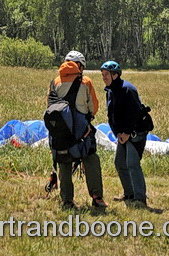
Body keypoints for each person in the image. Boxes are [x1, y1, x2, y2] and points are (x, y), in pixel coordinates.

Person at [47, 50, 107, 211]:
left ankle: (67, 200)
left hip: (60, 132)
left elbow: (50, 106)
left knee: (63, 162)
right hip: (82, 132)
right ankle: (97, 197)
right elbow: (93, 108)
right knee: (91, 159)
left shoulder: (55, 82)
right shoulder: (85, 81)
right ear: (79, 65)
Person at [100, 59, 148, 207]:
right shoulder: (110, 91)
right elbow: (111, 115)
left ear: (115, 75)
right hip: (122, 134)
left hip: (136, 132)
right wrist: (118, 134)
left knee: (132, 164)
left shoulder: (128, 89)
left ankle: (140, 198)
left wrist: (127, 132)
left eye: (106, 74)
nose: (104, 77)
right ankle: (129, 194)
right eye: (102, 74)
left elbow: (134, 114)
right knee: (120, 162)